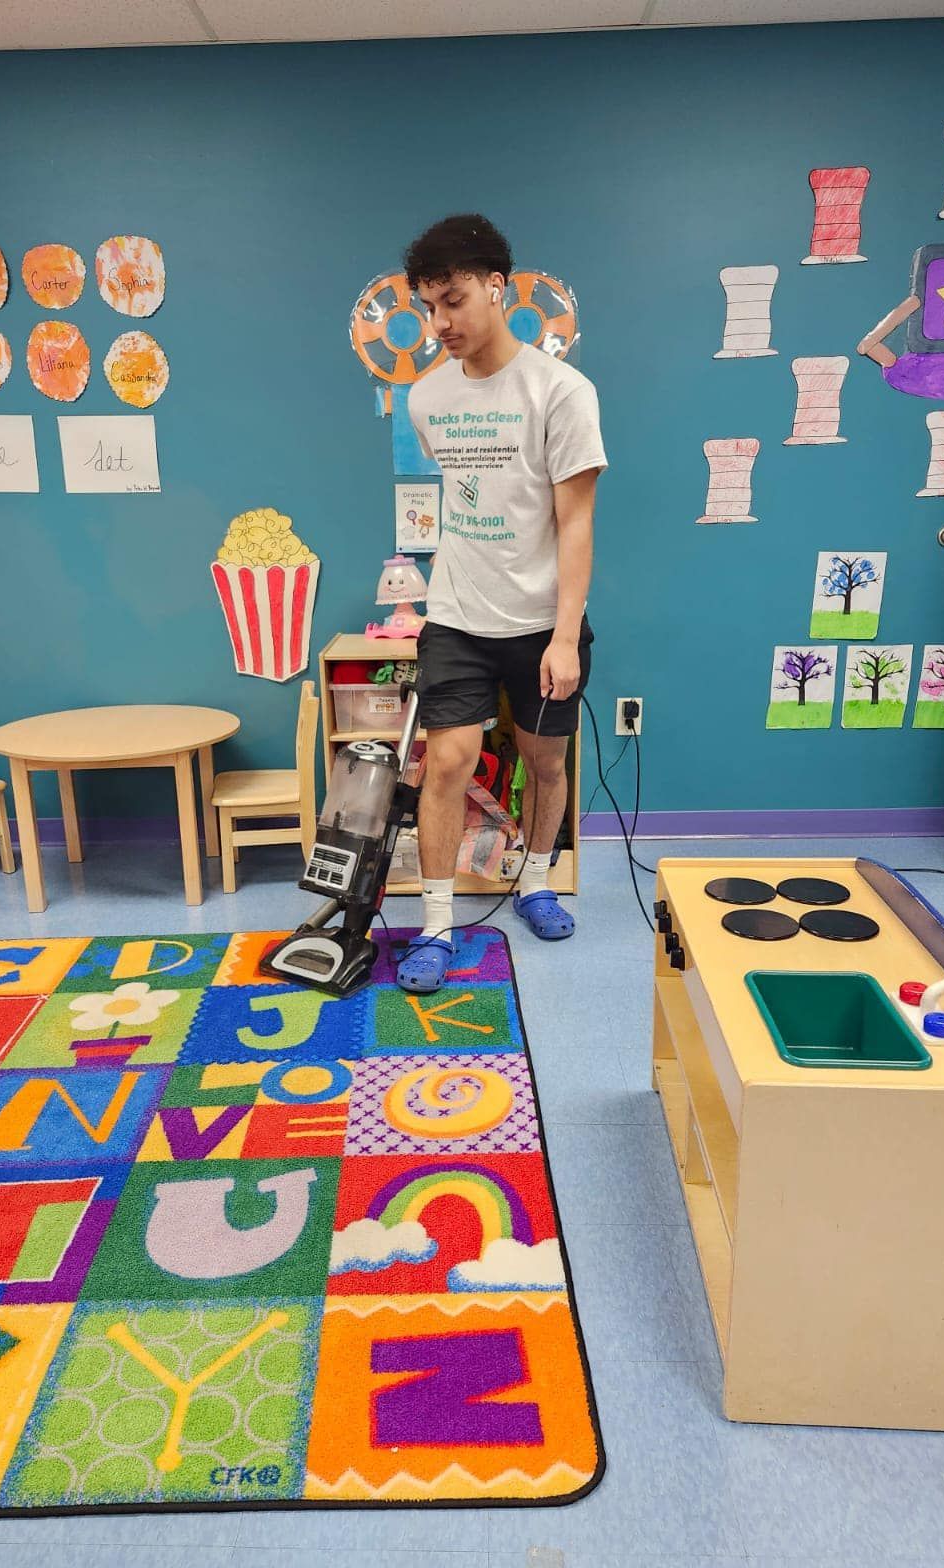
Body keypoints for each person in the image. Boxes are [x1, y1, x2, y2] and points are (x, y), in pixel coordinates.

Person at [397, 213, 607, 993]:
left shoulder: (561, 391)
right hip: (456, 612)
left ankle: (537, 881)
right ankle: (439, 922)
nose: (439, 323)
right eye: (428, 308)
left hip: (543, 621)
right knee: (447, 761)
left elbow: (575, 520)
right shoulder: (424, 398)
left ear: (497, 287)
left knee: (545, 761)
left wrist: (562, 637)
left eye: (452, 300)